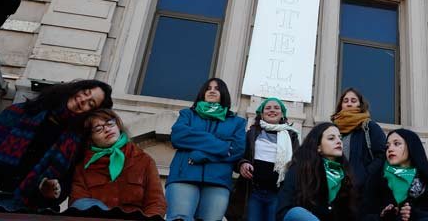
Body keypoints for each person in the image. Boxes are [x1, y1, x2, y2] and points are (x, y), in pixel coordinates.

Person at [0, 79, 113, 211]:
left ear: (90, 113)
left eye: (90, 103)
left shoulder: (78, 144)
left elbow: (65, 187)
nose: (82, 100)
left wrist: (51, 192)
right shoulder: (18, 112)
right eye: (85, 93)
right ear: (75, 88)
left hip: (32, 211)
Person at [165, 78, 245, 221]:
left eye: (217, 88)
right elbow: (178, 136)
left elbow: (237, 149)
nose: (212, 91)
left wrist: (203, 154)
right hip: (184, 175)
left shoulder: (237, 122)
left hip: (218, 181)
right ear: (202, 93)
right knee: (179, 218)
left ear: (223, 94)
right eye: (208, 88)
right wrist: (221, 145)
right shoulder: (188, 115)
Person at [69, 108, 166, 217]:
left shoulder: (143, 160)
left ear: (118, 126)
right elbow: (77, 204)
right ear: (90, 138)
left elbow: (156, 203)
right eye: (98, 129)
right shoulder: (82, 167)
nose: (107, 129)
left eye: (110, 123)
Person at [360, 129, 428, 221]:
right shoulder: (377, 178)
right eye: (387, 146)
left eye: (396, 144)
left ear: (411, 146)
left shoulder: (427, 180)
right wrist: (382, 216)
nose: (390, 149)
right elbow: (363, 216)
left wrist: (414, 214)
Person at [274, 122, 356, 221]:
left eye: (340, 138)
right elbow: (285, 211)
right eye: (331, 138)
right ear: (318, 147)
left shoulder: (346, 175)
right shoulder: (299, 170)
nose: (339, 141)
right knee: (297, 212)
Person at [239, 97, 300, 221]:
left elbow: (298, 164)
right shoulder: (252, 133)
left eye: (276, 108)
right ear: (261, 114)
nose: (272, 110)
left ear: (282, 114)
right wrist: (243, 163)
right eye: (268, 108)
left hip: (278, 193)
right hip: (253, 191)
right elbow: (241, 156)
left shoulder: (291, 135)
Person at [330, 88, 386, 190]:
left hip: (362, 190)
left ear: (360, 105)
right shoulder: (332, 130)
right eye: (345, 101)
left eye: (353, 101)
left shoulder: (369, 126)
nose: (349, 104)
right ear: (341, 105)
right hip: (336, 188)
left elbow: (382, 155)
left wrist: (364, 176)